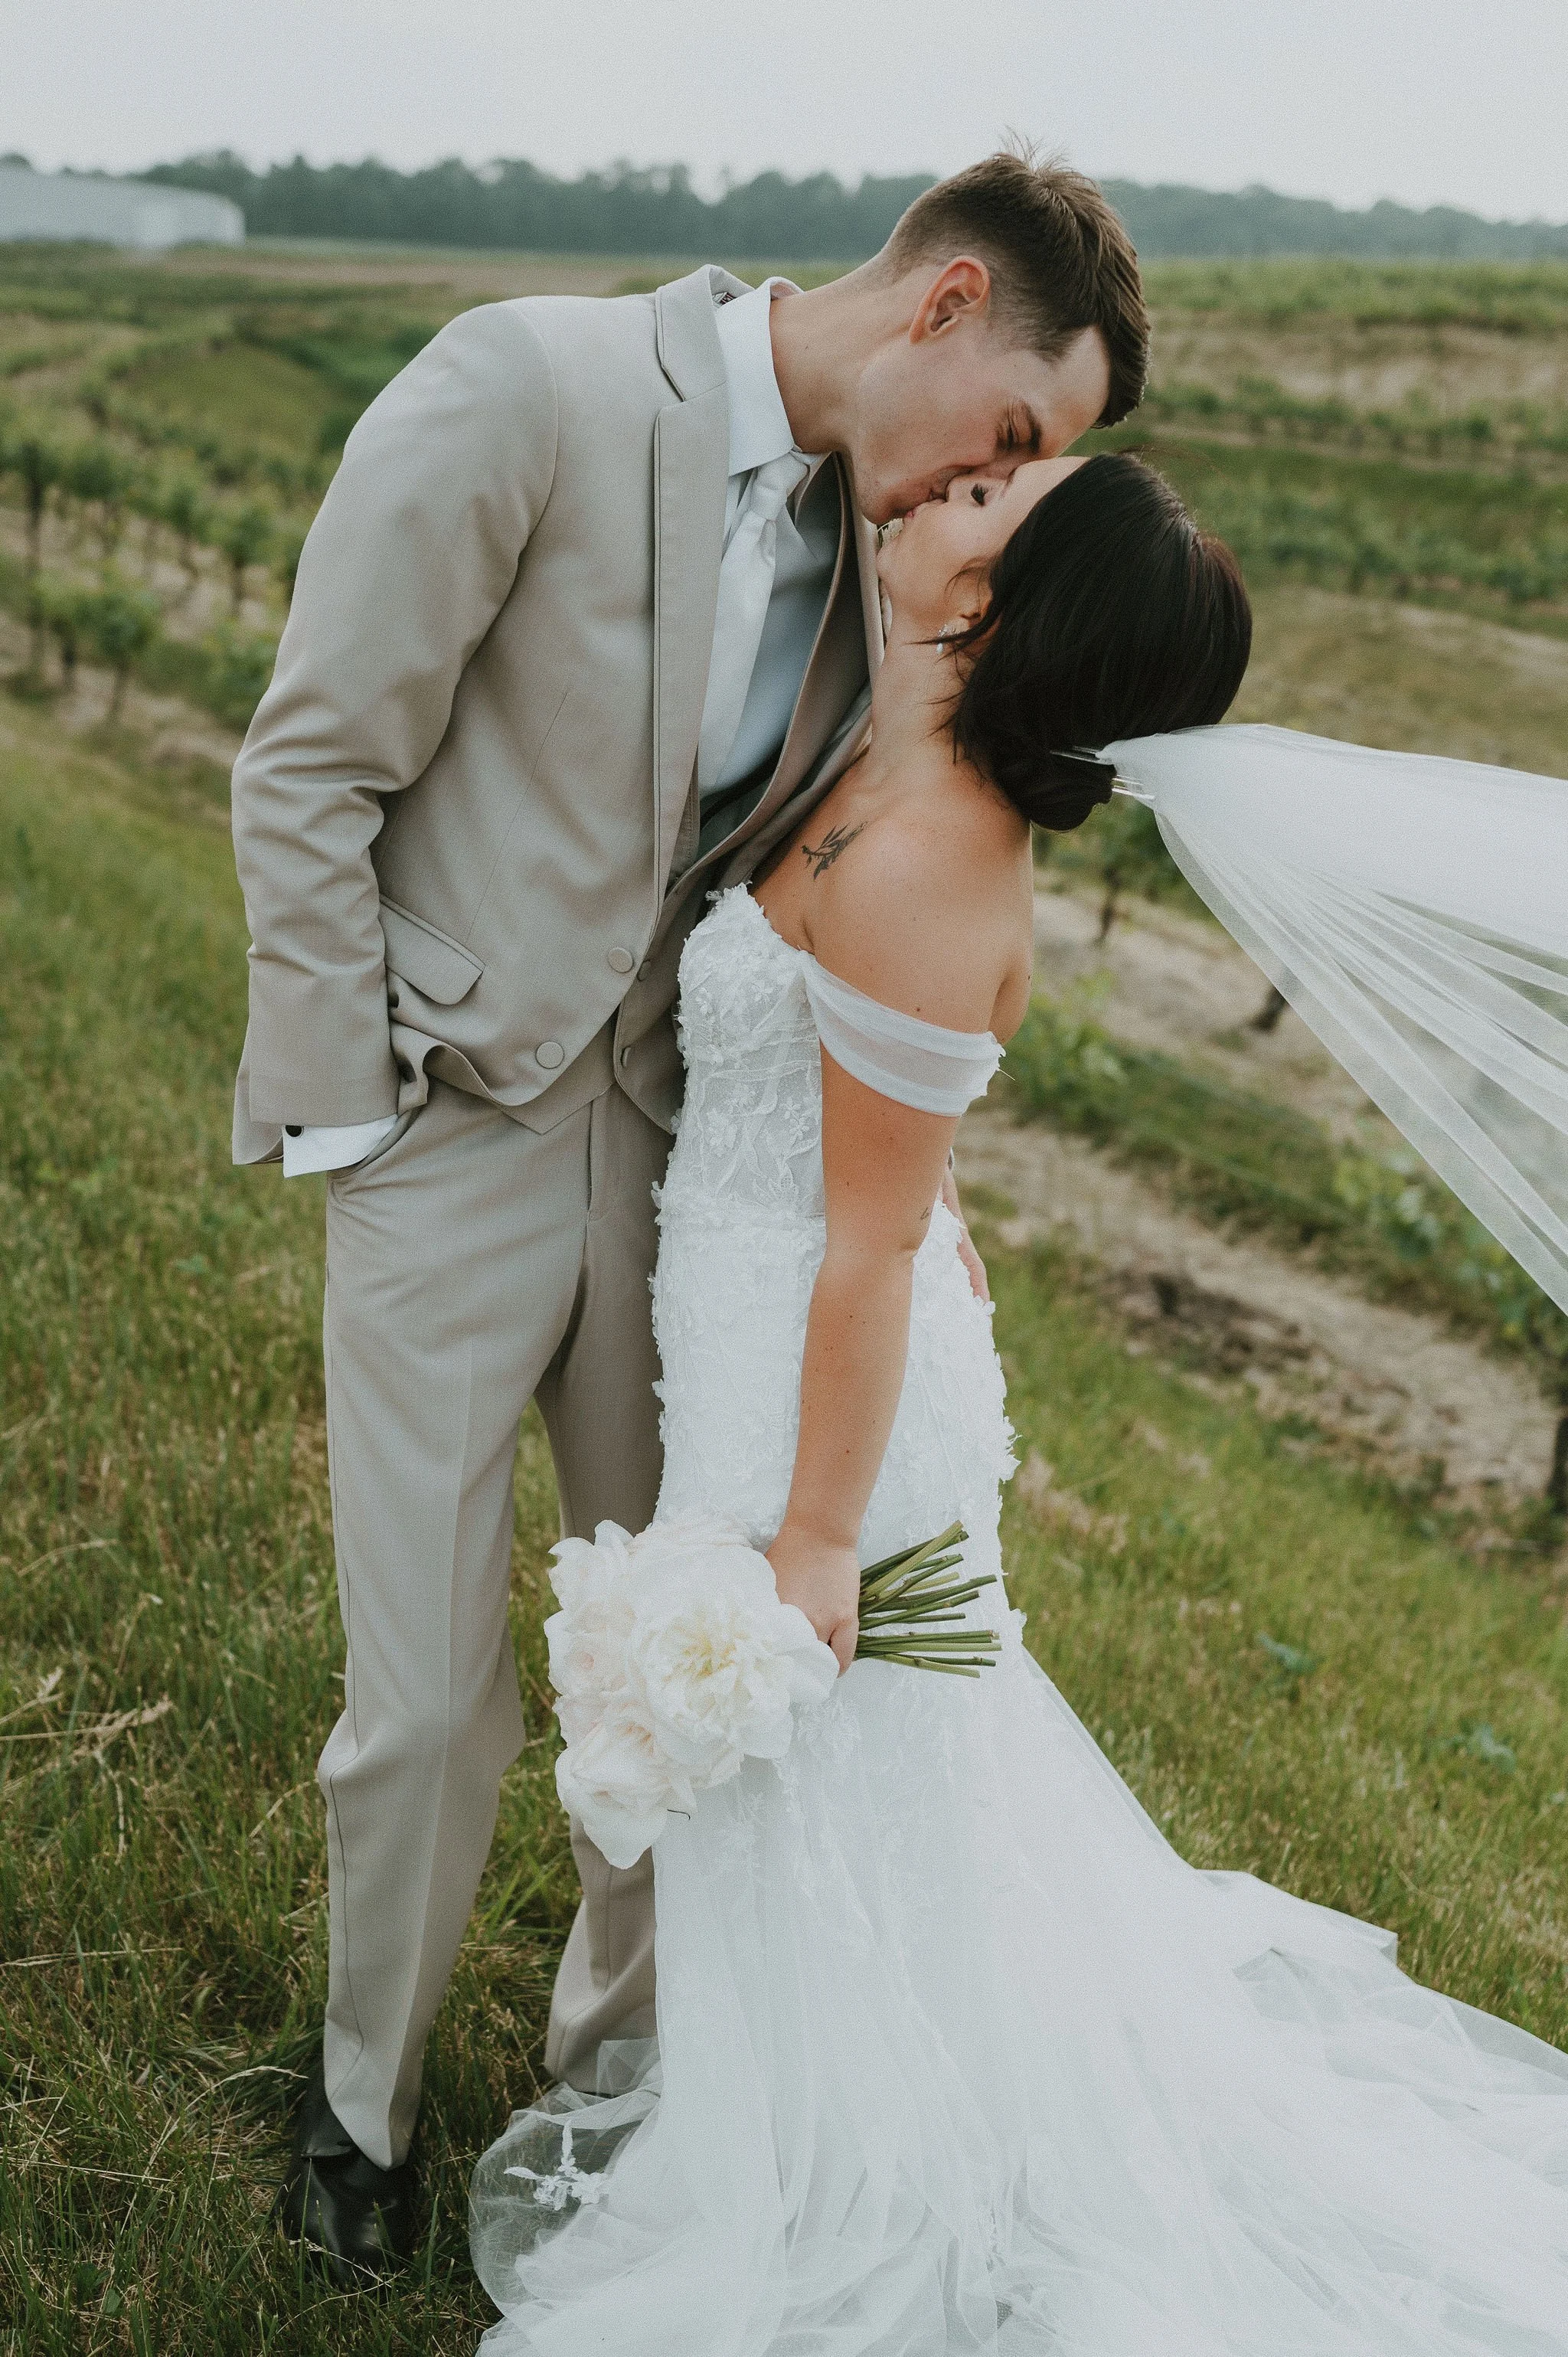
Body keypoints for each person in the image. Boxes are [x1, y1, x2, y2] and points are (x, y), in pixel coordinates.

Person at [469, 451, 1568, 2352]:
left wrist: (813, 1538)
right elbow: (884, 1132)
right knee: (835, 1787)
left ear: (1007, 600)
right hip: (765, 1307)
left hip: (824, 1380)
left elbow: (871, 1247)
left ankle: (876, 2162)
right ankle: (806, 2106)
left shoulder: (921, 860)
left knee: (840, 1763)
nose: (955, 482)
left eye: (998, 493)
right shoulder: (891, 772)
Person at [227, 152, 1150, 2275]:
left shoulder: (885, 559)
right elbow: (307, 767)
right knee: (436, 1691)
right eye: (1018, 433)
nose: (1003, 491)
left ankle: (620, 2083)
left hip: (677, 1175)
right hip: (442, 1134)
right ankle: (357, 2098)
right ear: (936, 311)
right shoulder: (524, 389)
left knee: (681, 1660)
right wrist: (352, 1118)